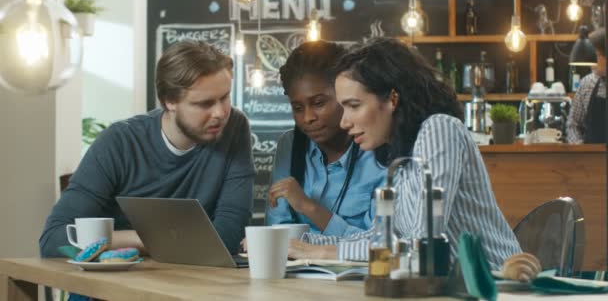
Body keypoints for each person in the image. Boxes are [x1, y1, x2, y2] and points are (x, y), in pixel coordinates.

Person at [288, 38, 521, 269]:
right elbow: (380, 239)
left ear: (392, 98)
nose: (344, 122)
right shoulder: (402, 157)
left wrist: (325, 252)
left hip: (500, 287)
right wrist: (301, 243)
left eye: (354, 105)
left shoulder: (439, 129)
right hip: (447, 290)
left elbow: (421, 245)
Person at [40, 40, 255, 257]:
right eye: (205, 103)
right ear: (170, 101)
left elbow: (228, 236)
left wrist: (120, 240)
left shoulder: (233, 127)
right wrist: (145, 239)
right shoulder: (119, 143)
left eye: (225, 97)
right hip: (120, 282)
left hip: (192, 282)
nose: (220, 113)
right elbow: (54, 239)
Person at [266, 41, 385, 236]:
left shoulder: (378, 149)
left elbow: (377, 243)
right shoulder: (290, 145)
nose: (308, 118)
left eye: (319, 103)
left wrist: (309, 207)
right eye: (297, 108)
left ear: (344, 95)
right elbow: (278, 228)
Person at [567, 27, 606, 144]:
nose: (592, 62)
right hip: (590, 160)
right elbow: (573, 124)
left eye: (597, 56)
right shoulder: (587, 84)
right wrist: (580, 148)